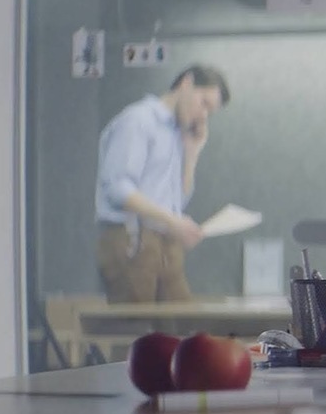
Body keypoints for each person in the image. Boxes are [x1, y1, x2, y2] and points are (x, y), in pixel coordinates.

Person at [95, 65, 229, 304]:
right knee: (139, 335)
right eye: (204, 103)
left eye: (211, 112)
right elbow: (118, 188)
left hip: (166, 244)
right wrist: (172, 221)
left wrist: (192, 152)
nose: (204, 115)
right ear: (186, 83)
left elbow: (178, 201)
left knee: (182, 329)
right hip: (132, 241)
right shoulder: (139, 120)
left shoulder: (177, 134)